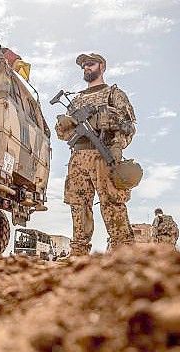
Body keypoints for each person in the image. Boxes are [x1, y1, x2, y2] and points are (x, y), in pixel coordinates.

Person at [55, 53, 137, 256]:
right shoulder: (76, 100)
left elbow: (128, 126)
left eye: (90, 64)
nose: (86, 68)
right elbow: (63, 134)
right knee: (78, 205)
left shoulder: (114, 94)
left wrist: (117, 147)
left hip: (104, 154)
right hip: (78, 157)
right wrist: (65, 126)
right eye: (83, 65)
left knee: (112, 203)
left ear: (102, 66)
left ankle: (123, 253)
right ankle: (79, 253)